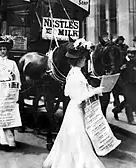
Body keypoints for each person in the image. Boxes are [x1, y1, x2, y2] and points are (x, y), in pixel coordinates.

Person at [42, 39, 105, 168]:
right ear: (79, 60)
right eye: (83, 59)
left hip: (74, 109)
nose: (85, 61)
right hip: (76, 109)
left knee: (71, 135)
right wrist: (95, 91)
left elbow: (68, 92)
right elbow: (78, 97)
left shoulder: (74, 72)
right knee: (77, 135)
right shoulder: (76, 74)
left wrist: (91, 91)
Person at [0, 36, 21, 148]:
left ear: (7, 51)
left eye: (4, 49)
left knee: (8, 113)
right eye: (0, 49)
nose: (2, 52)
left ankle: (10, 139)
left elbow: (17, 78)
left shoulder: (12, 63)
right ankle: (0, 139)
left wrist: (16, 89)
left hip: (9, 91)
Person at [112, 47, 136, 125]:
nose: (132, 55)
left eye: (134, 54)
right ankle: (130, 119)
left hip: (132, 84)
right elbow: (117, 72)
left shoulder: (134, 62)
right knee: (128, 101)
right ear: (127, 53)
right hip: (123, 84)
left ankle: (116, 110)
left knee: (128, 101)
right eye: (131, 53)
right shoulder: (122, 61)